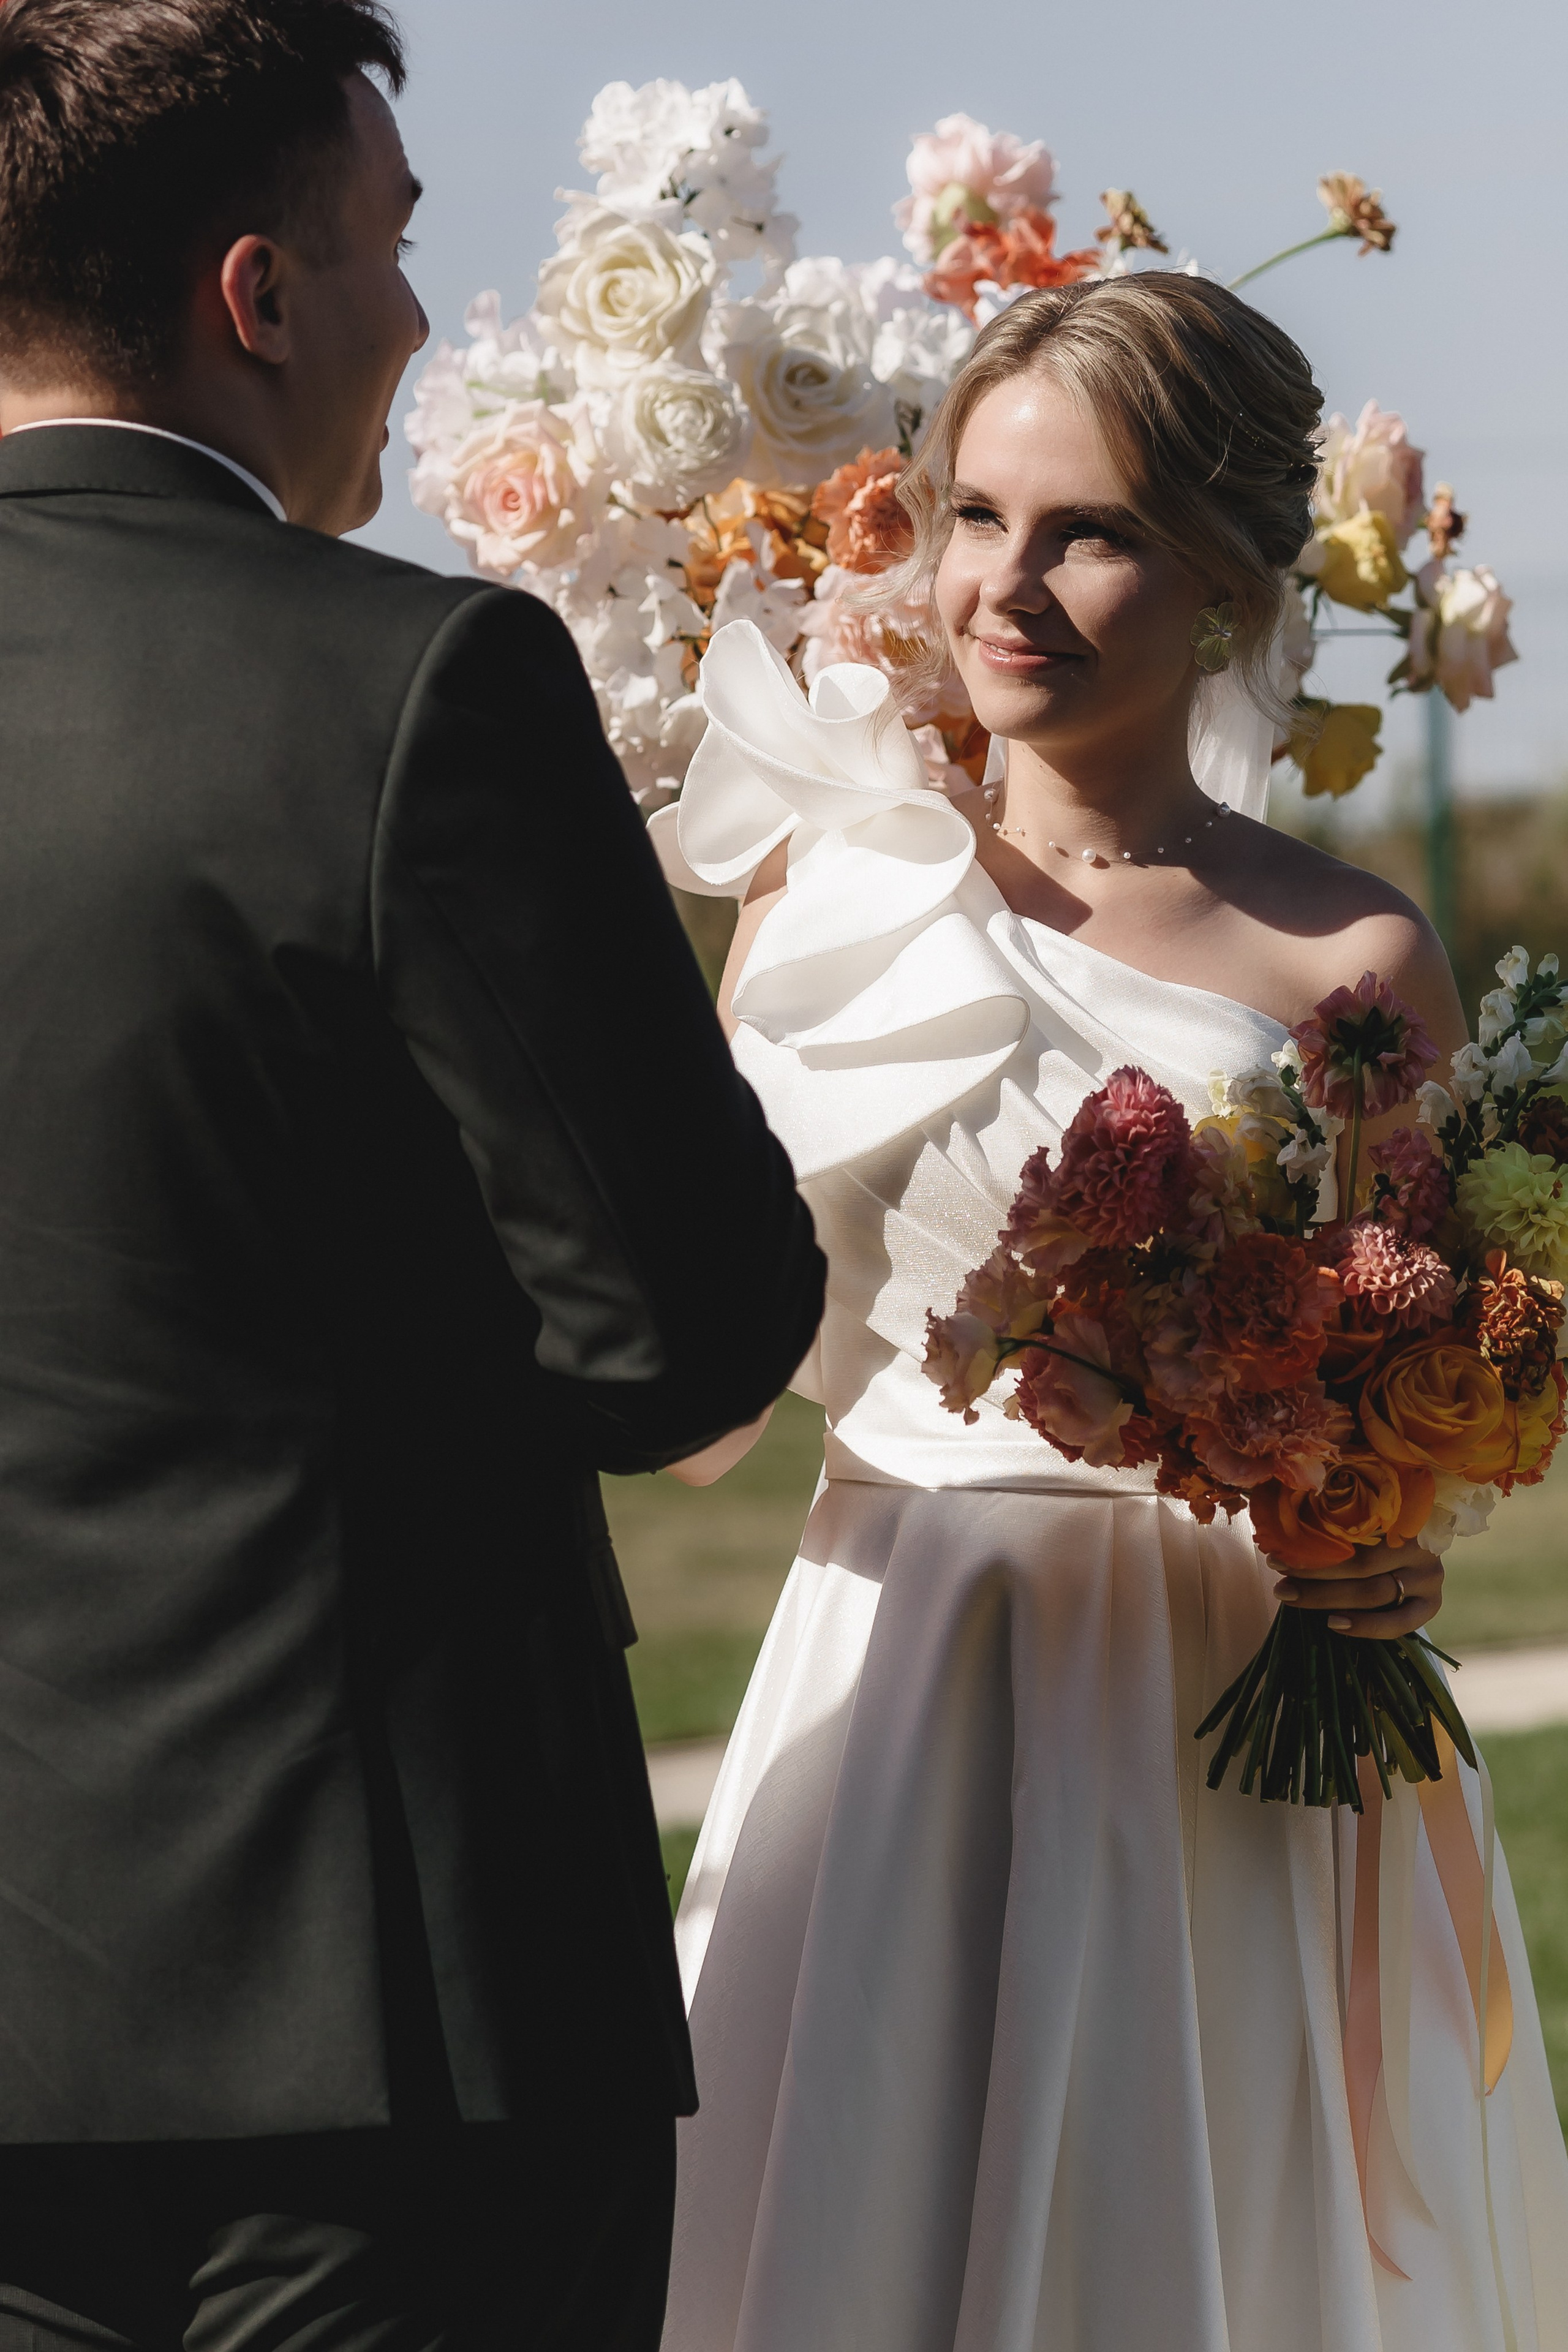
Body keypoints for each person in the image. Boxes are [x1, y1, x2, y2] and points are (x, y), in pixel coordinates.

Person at [0, 2, 824, 2346]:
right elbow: (686, 1327)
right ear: (255, 297)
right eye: (393, 250)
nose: (422, 321)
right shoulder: (417, 680)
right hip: (386, 2028)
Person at [652, 275, 1568, 2351]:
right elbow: (691, 1314)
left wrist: (1401, 1531)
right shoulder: (829, 893)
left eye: (1091, 530)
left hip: (1225, 1721)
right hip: (902, 1674)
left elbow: (1419, 1362)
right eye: (979, 515)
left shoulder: (1352, 947)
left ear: (1235, 580)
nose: (1010, 583)